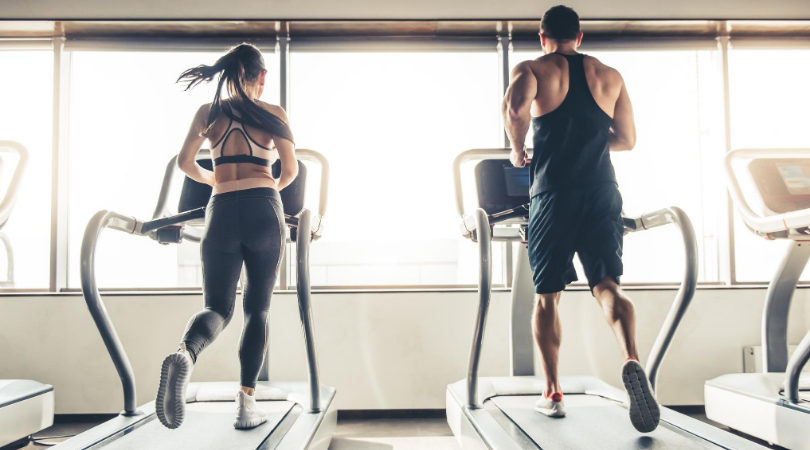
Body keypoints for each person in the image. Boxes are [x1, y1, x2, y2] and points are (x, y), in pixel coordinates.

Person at [502, 5, 660, 433]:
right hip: (603, 192)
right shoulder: (610, 76)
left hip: (553, 194)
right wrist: (589, 133)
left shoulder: (533, 69)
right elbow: (626, 139)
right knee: (608, 285)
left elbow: (515, 110)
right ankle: (631, 358)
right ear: (580, 36)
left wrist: (518, 152)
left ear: (542, 36)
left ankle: (553, 391)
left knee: (547, 296)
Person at [155, 43, 298, 430]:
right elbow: (290, 170)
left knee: (218, 307)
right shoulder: (272, 113)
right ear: (262, 77)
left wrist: (213, 178)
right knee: (258, 310)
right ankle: (246, 405)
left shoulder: (208, 112)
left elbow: (186, 163)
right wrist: (270, 190)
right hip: (264, 206)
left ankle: (186, 353)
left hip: (220, 209)